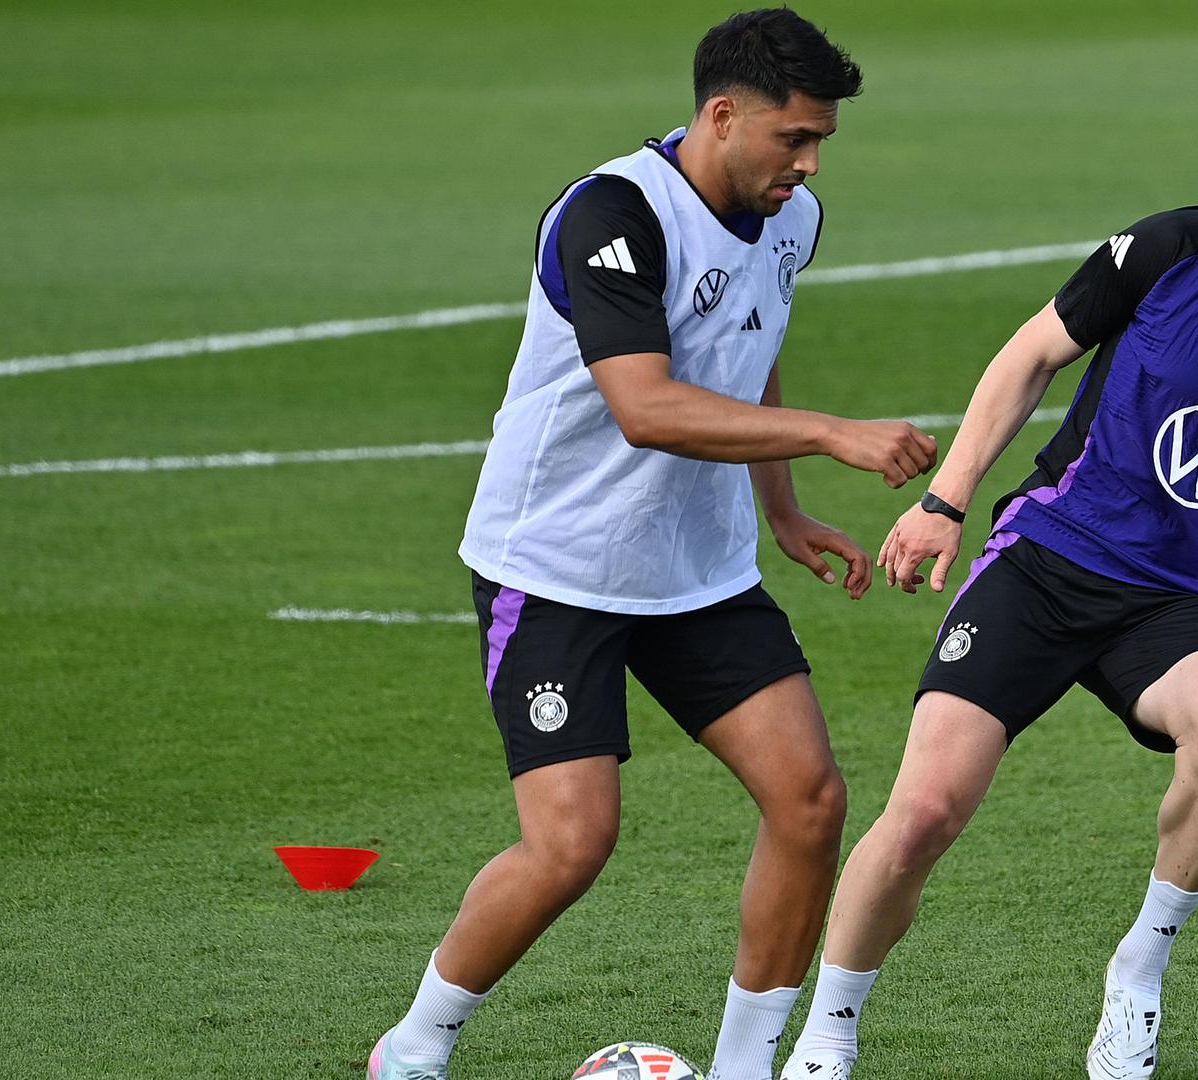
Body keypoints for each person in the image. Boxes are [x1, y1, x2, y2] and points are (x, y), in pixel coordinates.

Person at [778, 99, 1198, 1080]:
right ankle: (828, 1034)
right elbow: (1034, 351)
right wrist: (947, 501)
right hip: (1049, 555)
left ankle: (1140, 971)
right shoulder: (1184, 248)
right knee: (924, 813)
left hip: (1181, 601)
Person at [367, 11, 938, 1080]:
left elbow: (750, 338)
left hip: (698, 571)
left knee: (810, 802)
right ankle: (411, 1049)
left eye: (822, 143)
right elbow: (647, 405)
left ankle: (743, 1069)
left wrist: (781, 509)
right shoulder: (613, 215)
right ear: (722, 114)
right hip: (556, 569)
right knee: (572, 842)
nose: (809, 164)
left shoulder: (792, 218)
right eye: (794, 138)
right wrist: (829, 433)